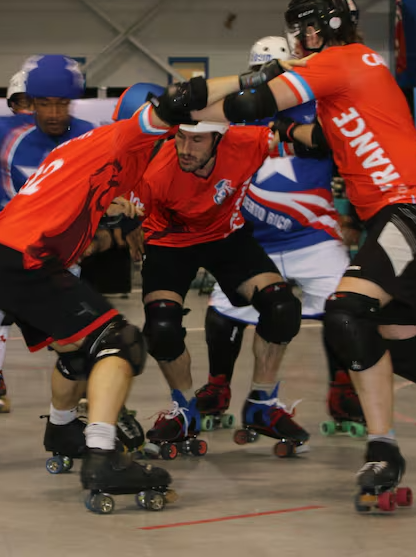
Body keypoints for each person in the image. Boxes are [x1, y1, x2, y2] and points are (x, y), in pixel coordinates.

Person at [192, 0, 416, 508]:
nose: (297, 41)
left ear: (316, 29)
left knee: (346, 311)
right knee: (406, 348)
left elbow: (249, 104)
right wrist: (277, 133)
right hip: (413, 211)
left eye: (301, 32)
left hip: (410, 209)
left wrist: (189, 103)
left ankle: (383, 449)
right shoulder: (354, 70)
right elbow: (318, 138)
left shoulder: (337, 61)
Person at [0, 74, 255, 510]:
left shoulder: (101, 154)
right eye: (175, 135)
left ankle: (62, 428)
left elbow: (89, 220)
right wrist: (253, 79)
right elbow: (182, 101)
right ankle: (101, 456)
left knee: (77, 349)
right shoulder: (121, 139)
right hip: (26, 258)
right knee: (122, 344)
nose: (179, 143)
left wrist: (121, 226)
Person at [197, 38, 363, 438]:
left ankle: (342, 388)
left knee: (347, 309)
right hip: (251, 238)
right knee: (223, 312)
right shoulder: (236, 112)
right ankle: (219, 384)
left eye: (280, 73)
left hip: (314, 235)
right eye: (264, 75)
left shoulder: (321, 107)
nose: (272, 84)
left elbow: (341, 145)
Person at [129, 118, 308, 459]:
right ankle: (184, 409)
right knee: (161, 327)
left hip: (225, 237)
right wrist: (127, 223)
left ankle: (262, 402)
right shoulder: (158, 173)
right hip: (170, 242)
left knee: (282, 307)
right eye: (180, 137)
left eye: (196, 141)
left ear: (219, 138)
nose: (184, 149)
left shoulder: (248, 142)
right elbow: (124, 201)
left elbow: (293, 134)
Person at [0, 55, 92, 412]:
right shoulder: (0, 139)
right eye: (23, 105)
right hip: (7, 246)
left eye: (33, 104)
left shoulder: (72, 138)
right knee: (0, 312)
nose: (28, 112)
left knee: (70, 326)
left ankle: (81, 388)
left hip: (54, 250)